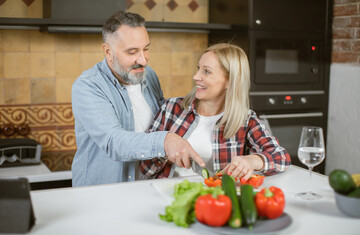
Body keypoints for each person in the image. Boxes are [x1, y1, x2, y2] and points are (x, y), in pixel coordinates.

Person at [71, 11, 204, 187]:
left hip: (145, 188)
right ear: (108, 51)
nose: (143, 60)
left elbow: (161, 121)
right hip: (102, 194)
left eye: (146, 49)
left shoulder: (149, 76)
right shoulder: (88, 86)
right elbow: (113, 141)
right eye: (132, 52)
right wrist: (164, 141)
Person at [140, 43, 291, 180]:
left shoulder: (245, 120)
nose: (196, 77)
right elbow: (144, 167)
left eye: (206, 72)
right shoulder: (172, 108)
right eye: (198, 69)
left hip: (216, 200)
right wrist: (165, 152)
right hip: (166, 194)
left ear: (230, 81)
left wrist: (252, 161)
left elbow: (281, 157)